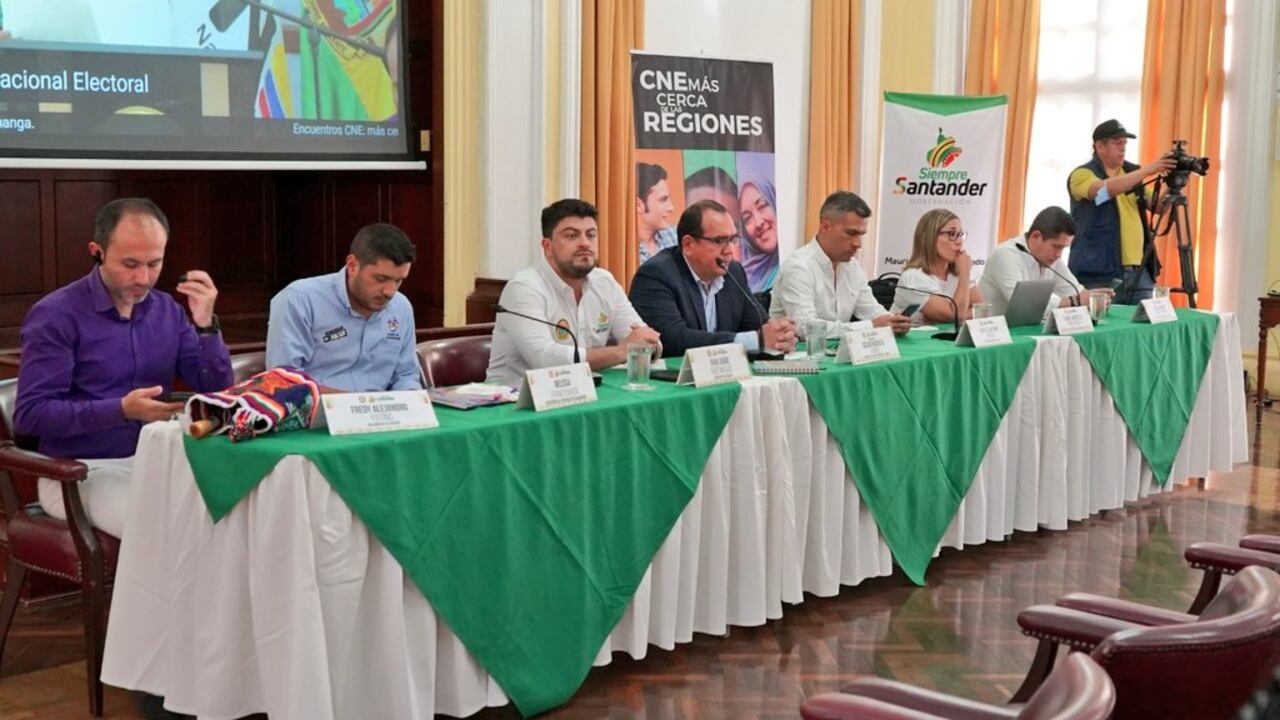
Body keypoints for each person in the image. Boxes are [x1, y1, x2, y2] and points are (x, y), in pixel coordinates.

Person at [14, 198, 233, 538]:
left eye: (154, 264)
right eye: (130, 264)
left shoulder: (167, 311)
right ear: (97, 251)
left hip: (159, 459)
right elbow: (31, 414)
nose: (143, 278)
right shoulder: (56, 315)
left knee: (233, 512)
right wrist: (120, 410)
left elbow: (216, 391)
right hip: (79, 471)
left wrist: (205, 325)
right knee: (163, 530)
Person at [486, 199, 661, 386]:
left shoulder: (605, 282)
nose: (585, 243)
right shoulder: (524, 288)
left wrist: (648, 344)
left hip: (580, 393)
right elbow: (545, 359)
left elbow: (649, 340)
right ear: (547, 247)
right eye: (571, 236)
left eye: (591, 235)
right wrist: (622, 351)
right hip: (513, 403)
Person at [266, 223, 423, 392]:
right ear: (352, 265)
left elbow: (406, 376)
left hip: (386, 414)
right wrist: (355, 406)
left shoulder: (401, 307)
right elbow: (284, 380)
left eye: (398, 281)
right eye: (380, 278)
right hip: (317, 413)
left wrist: (409, 405)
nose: (390, 291)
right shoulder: (299, 299)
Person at [630, 199, 796, 358]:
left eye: (732, 240)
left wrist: (780, 334)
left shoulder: (734, 272)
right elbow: (671, 340)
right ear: (688, 245)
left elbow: (758, 324)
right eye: (719, 241)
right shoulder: (656, 275)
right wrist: (754, 341)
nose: (729, 250)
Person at [770, 191, 912, 339]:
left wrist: (893, 322)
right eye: (851, 233)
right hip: (796, 356)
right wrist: (872, 325)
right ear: (825, 226)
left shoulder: (852, 267)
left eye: (861, 235)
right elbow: (806, 328)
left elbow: (870, 309)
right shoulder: (798, 267)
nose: (858, 244)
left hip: (835, 353)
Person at [1067, 119, 1176, 303]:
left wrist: (1174, 185)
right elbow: (1103, 191)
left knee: (1144, 326)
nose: (1123, 148)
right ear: (1099, 146)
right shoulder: (1082, 174)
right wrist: (1149, 170)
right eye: (1117, 143)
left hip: (1138, 270)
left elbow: (1158, 207)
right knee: (1102, 326)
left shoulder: (1131, 173)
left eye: (1125, 143)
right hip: (1099, 271)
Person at [979, 206, 1113, 316]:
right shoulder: (1005, 255)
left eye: (1063, 248)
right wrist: (1075, 301)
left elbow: (1076, 293)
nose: (1059, 255)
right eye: (1056, 247)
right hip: (991, 337)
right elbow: (1024, 306)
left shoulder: (1051, 259)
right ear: (1035, 236)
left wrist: (1095, 297)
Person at [891, 208, 985, 323]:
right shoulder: (913, 277)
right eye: (952, 234)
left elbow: (982, 311)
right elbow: (955, 315)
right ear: (929, 238)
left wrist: (949, 317)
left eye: (960, 234)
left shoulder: (958, 271)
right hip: (916, 340)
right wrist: (964, 274)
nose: (959, 241)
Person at [738, 177, 780, 291]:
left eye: (762, 206)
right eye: (747, 218)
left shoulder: (798, 266)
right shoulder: (739, 278)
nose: (758, 223)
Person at [637, 162, 679, 264]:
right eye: (663, 199)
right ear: (638, 205)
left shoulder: (677, 235)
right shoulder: (622, 250)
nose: (671, 207)